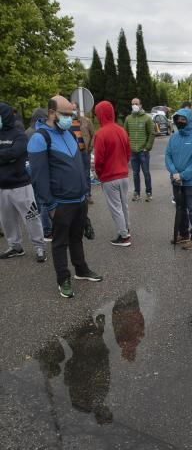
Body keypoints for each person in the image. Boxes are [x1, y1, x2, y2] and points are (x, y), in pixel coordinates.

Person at [27, 95, 103, 298]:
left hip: (79, 200)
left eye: (72, 114)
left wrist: (85, 194)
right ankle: (63, 279)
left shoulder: (70, 132)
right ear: (52, 113)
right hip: (60, 203)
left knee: (77, 238)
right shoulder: (40, 138)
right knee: (60, 243)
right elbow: (39, 177)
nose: (70, 118)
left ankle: (81, 270)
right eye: (66, 114)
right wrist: (50, 205)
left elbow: (79, 166)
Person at [0, 101, 46, 263]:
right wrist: (7, 156)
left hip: (21, 185)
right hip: (2, 187)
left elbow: (17, 152)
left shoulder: (19, 134)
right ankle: (15, 246)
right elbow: (10, 154)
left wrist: (6, 155)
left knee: (32, 217)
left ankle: (39, 246)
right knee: (7, 220)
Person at [165, 107, 192, 250]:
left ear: (189, 120)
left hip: (191, 182)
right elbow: (168, 155)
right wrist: (174, 172)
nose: (180, 121)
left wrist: (183, 175)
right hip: (176, 179)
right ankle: (183, 234)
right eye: (178, 119)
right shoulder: (174, 137)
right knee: (180, 208)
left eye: (183, 119)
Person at [93, 101, 132, 247]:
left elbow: (99, 160)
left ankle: (124, 236)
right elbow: (128, 153)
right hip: (123, 175)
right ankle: (126, 229)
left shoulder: (101, 134)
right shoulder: (122, 130)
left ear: (100, 114)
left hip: (109, 177)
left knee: (115, 207)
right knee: (123, 205)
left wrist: (99, 173)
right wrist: (122, 165)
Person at [26, 107, 52, 241]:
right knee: (44, 200)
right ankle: (47, 230)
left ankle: (41, 228)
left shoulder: (26, 132)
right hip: (40, 168)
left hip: (29, 168)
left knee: (35, 200)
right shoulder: (41, 132)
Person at [124, 97, 155, 201]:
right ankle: (137, 193)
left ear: (141, 105)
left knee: (146, 173)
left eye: (136, 103)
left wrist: (147, 147)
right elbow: (125, 134)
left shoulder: (147, 118)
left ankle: (149, 193)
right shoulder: (128, 118)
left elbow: (152, 133)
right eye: (133, 104)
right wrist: (128, 147)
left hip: (143, 152)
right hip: (133, 152)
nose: (134, 105)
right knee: (135, 173)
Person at [71, 102, 95, 203]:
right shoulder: (67, 123)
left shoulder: (86, 121)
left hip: (85, 152)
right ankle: (78, 196)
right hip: (73, 154)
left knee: (86, 174)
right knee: (75, 174)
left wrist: (90, 147)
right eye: (71, 109)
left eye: (74, 109)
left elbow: (93, 135)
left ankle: (88, 195)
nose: (73, 111)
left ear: (78, 109)